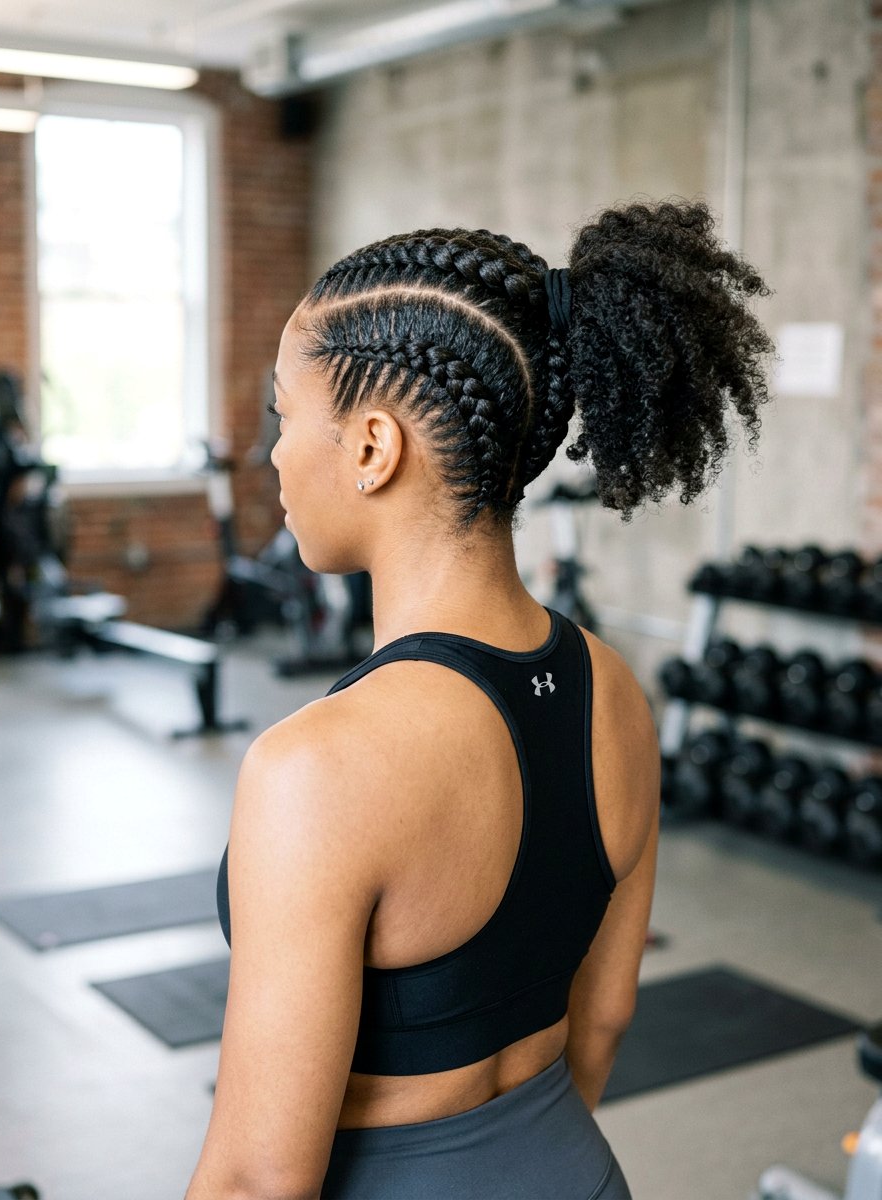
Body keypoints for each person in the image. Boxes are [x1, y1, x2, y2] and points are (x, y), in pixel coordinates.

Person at [185, 199, 774, 1200]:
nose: (273, 457)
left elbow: (255, 1178)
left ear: (372, 448)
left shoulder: (315, 767)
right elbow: (602, 1016)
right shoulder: (613, 686)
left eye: (285, 419)